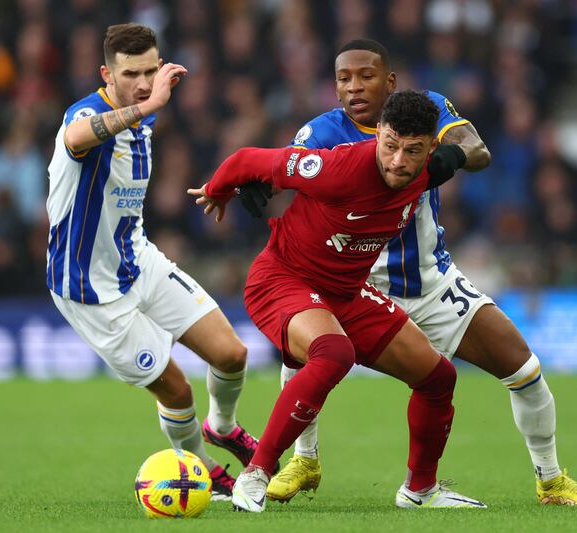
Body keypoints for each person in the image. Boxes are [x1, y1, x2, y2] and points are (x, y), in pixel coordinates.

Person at [238, 39, 577, 506]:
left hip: (428, 281)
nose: (355, 87)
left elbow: (477, 149)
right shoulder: (321, 132)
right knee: (310, 356)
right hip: (355, 282)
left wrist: (447, 157)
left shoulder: (427, 108)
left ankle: (551, 481)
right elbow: (280, 170)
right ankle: (304, 460)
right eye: (344, 79)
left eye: (366, 77)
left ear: (390, 82)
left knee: (524, 369)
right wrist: (253, 186)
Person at [189, 90, 487, 512]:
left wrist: (454, 157)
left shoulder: (431, 169)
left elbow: (464, 153)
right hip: (281, 279)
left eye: (412, 150)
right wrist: (218, 190)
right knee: (333, 352)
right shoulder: (339, 168)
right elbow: (245, 162)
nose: (398, 161)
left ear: (430, 149)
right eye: (390, 146)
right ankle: (255, 475)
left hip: (345, 292)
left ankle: (420, 492)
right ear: (379, 133)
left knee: (438, 377)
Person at [45, 23, 262, 501]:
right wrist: (147, 106)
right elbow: (77, 138)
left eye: (150, 71)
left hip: (136, 258)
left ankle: (222, 427)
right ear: (107, 74)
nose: (143, 83)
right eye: (131, 74)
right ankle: (203, 472)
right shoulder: (92, 112)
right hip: (88, 288)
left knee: (232, 354)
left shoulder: (145, 115)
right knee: (177, 390)